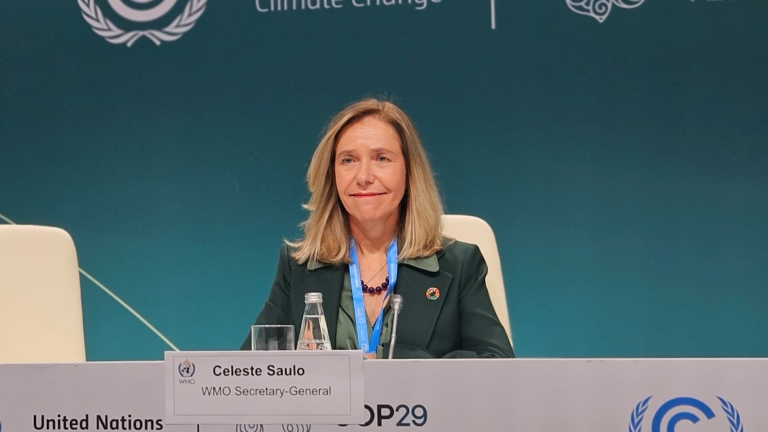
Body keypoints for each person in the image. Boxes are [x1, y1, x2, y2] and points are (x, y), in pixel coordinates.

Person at [241, 98, 514, 358]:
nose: (363, 177)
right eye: (348, 160)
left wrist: (394, 363)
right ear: (332, 175)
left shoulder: (459, 264)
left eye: (381, 158)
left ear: (409, 172)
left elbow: (496, 362)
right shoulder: (299, 266)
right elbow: (250, 370)